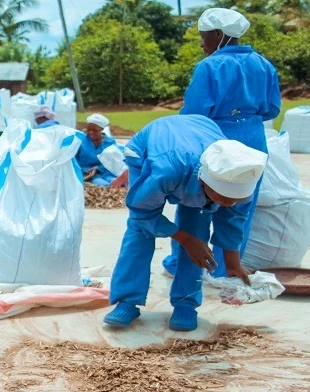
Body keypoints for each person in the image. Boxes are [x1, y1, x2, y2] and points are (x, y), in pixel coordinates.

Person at [103, 115, 266, 331]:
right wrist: (186, 240)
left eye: (236, 199)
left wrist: (232, 263)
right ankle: (127, 300)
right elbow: (142, 211)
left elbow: (233, 219)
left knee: (197, 230)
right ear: (204, 182)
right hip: (152, 151)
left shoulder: (240, 177)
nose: (230, 203)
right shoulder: (167, 169)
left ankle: (186, 303)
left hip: (197, 134)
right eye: (223, 198)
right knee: (140, 231)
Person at [163, 8, 281, 280]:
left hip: (214, 140)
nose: (202, 43)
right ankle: (228, 267)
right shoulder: (264, 64)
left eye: (204, 37)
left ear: (218, 34)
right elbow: (272, 109)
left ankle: (187, 265)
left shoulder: (210, 66)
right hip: (253, 141)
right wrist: (245, 117)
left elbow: (194, 113)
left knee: (198, 202)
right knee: (239, 203)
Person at [75, 113, 119, 186]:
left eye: (95, 130)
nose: (91, 132)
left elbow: (113, 161)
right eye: (88, 129)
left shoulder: (110, 143)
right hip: (87, 173)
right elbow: (73, 160)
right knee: (102, 184)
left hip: (106, 172)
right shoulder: (80, 140)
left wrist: (98, 169)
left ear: (101, 129)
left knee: (115, 181)